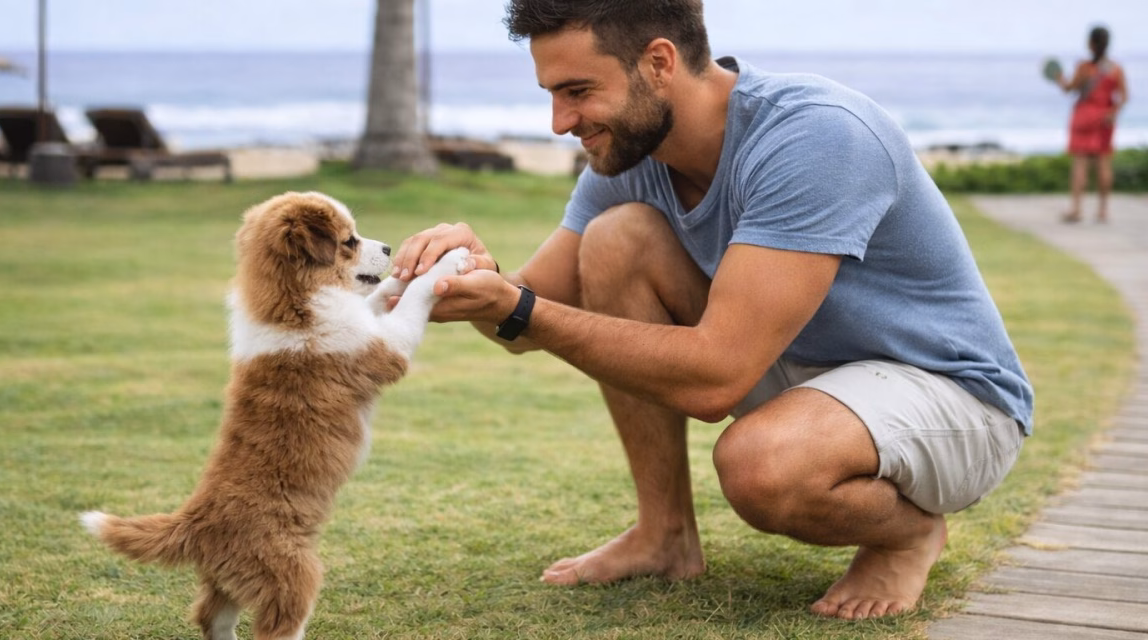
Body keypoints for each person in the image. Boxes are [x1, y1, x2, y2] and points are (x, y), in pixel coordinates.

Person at [390, 0, 1033, 621]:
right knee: (618, 241)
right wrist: (472, 274)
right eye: (552, 94)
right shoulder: (630, 158)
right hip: (807, 372)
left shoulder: (815, 136)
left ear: (659, 63)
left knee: (763, 468)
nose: (561, 121)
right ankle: (664, 534)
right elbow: (525, 315)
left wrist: (520, 307)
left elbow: (715, 376)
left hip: (953, 396)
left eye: (578, 90)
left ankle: (906, 536)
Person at [1052, 26, 1128, 224]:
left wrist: (1059, 78)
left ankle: (1076, 209)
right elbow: (1124, 97)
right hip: (1104, 119)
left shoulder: (1084, 68)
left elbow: (1069, 88)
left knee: (1080, 164)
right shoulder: (1115, 69)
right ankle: (1103, 211)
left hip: (1083, 117)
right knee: (1103, 164)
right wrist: (1113, 112)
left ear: (1090, 43)